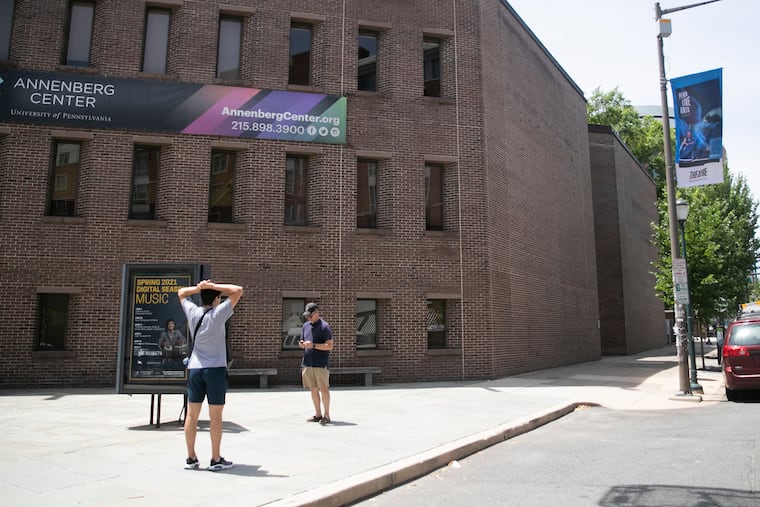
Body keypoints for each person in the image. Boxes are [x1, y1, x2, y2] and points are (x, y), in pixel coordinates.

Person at [177, 279, 243, 471]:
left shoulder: (193, 312)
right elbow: (237, 290)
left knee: (192, 415)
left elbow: (181, 292)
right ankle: (215, 459)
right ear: (215, 299)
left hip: (195, 369)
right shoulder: (218, 313)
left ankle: (191, 458)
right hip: (215, 370)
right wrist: (214, 286)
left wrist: (199, 288)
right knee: (216, 417)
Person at [299, 302, 334, 425]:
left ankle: (327, 415)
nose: (308, 318)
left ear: (316, 313)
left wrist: (313, 345)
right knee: (313, 389)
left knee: (323, 389)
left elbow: (329, 346)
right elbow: (302, 340)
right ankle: (318, 414)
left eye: (310, 316)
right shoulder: (305, 326)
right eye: (307, 316)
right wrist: (302, 344)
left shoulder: (325, 327)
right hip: (308, 363)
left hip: (320, 364)